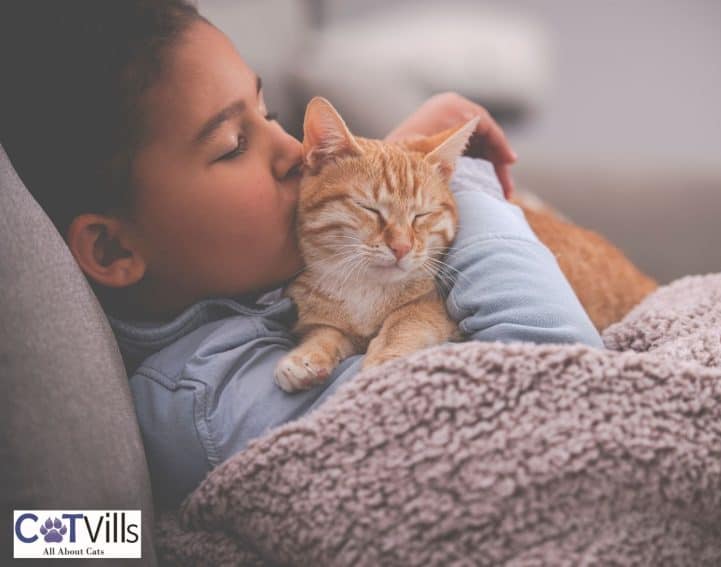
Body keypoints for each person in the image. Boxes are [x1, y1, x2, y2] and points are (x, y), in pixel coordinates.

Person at [0, 0, 602, 506]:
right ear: (113, 246)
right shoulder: (205, 399)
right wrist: (451, 184)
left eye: (269, 114)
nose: (294, 150)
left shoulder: (235, 278)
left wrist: (391, 176)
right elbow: (555, 382)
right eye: (235, 143)